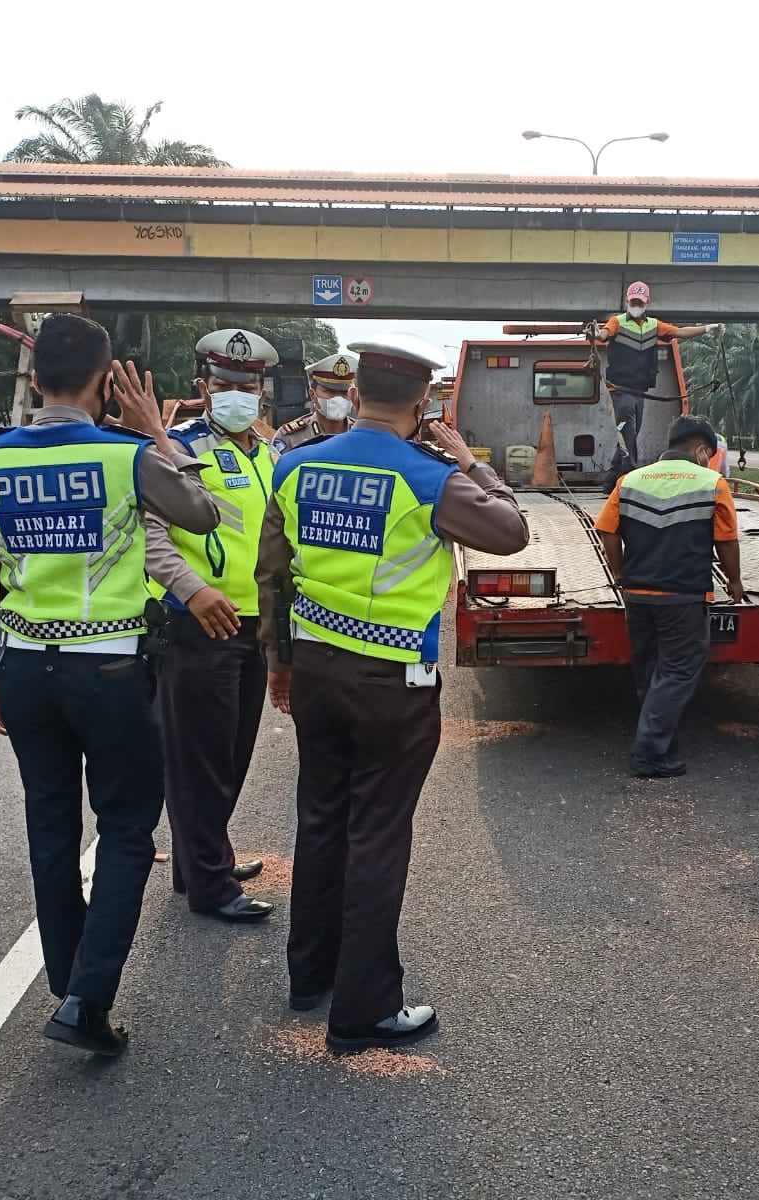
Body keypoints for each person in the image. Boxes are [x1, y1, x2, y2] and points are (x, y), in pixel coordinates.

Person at [0, 314, 220, 1055]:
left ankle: (68, 981)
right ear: (104, 382)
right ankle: (87, 999)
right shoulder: (126, 456)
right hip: (109, 669)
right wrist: (157, 433)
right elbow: (202, 514)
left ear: (35, 380)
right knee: (126, 828)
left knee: (50, 823)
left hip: (25, 669)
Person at [255, 333, 529, 1053]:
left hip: (316, 669)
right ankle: (364, 1008)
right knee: (376, 832)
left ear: (354, 393)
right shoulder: (430, 477)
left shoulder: (295, 465)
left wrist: (278, 663)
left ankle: (310, 976)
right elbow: (512, 531)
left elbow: (272, 573)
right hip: (391, 682)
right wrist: (470, 461)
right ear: (423, 400)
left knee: (320, 817)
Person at [144, 328, 282, 925]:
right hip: (198, 624)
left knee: (230, 755)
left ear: (262, 392)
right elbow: (150, 536)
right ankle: (211, 885)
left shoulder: (268, 454)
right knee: (200, 761)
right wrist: (191, 590)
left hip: (254, 624)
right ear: (203, 387)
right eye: (224, 385)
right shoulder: (173, 449)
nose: (237, 396)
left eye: (247, 387)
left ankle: (200, 860)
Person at [595, 416, 744, 778]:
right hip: (683, 595)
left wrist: (619, 573)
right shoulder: (712, 483)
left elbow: (606, 530)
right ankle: (648, 752)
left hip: (637, 593)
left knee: (649, 667)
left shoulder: (630, 481)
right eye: (710, 455)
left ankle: (660, 737)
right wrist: (735, 581)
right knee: (678, 670)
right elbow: (726, 540)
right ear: (701, 449)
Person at [593, 281, 720, 468]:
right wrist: (596, 333)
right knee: (628, 431)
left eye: (639, 302)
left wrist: (707, 328)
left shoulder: (654, 325)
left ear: (646, 303)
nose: (636, 305)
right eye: (633, 302)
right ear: (627, 301)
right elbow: (604, 334)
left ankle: (613, 475)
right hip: (620, 389)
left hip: (639, 391)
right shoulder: (617, 322)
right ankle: (629, 472)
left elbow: (680, 332)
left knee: (632, 433)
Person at [273, 351, 360, 455]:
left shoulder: (361, 435)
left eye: (344, 393)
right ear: (312, 395)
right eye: (330, 391)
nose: (338, 398)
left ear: (352, 395)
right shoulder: (290, 437)